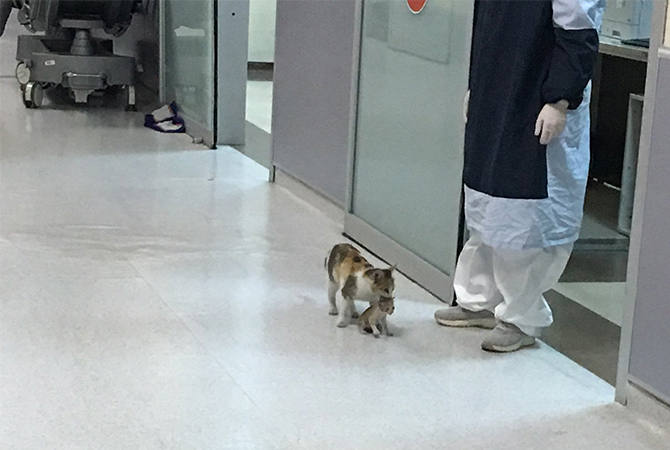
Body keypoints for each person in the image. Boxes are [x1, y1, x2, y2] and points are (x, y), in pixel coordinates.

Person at [435, 0, 606, 352]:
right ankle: (479, 300)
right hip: (497, 90)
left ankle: (521, 318)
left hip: (537, 96)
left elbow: (578, 31)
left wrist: (560, 98)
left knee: (523, 216)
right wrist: (478, 85)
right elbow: (488, 25)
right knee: (486, 204)